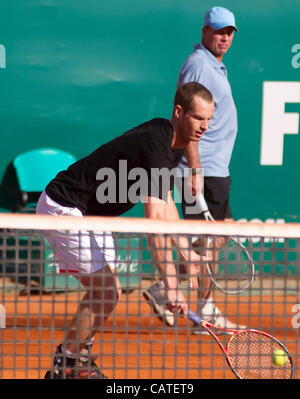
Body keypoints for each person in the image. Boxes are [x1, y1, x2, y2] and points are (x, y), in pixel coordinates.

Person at [36, 82, 214, 379]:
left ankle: (74, 359)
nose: (204, 126)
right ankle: (66, 366)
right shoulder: (158, 145)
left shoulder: (172, 141)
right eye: (198, 118)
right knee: (106, 291)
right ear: (179, 112)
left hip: (93, 216)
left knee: (107, 293)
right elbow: (155, 224)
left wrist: (186, 251)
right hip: (66, 206)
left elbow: (166, 200)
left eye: (209, 119)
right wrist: (171, 285)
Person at [143, 6, 246, 333]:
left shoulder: (212, 65)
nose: (225, 37)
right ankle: (205, 310)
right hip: (205, 169)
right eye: (219, 31)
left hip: (216, 167)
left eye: (229, 32)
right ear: (204, 32)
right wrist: (196, 166)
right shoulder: (199, 66)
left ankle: (167, 288)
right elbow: (186, 119)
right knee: (210, 238)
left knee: (218, 233)